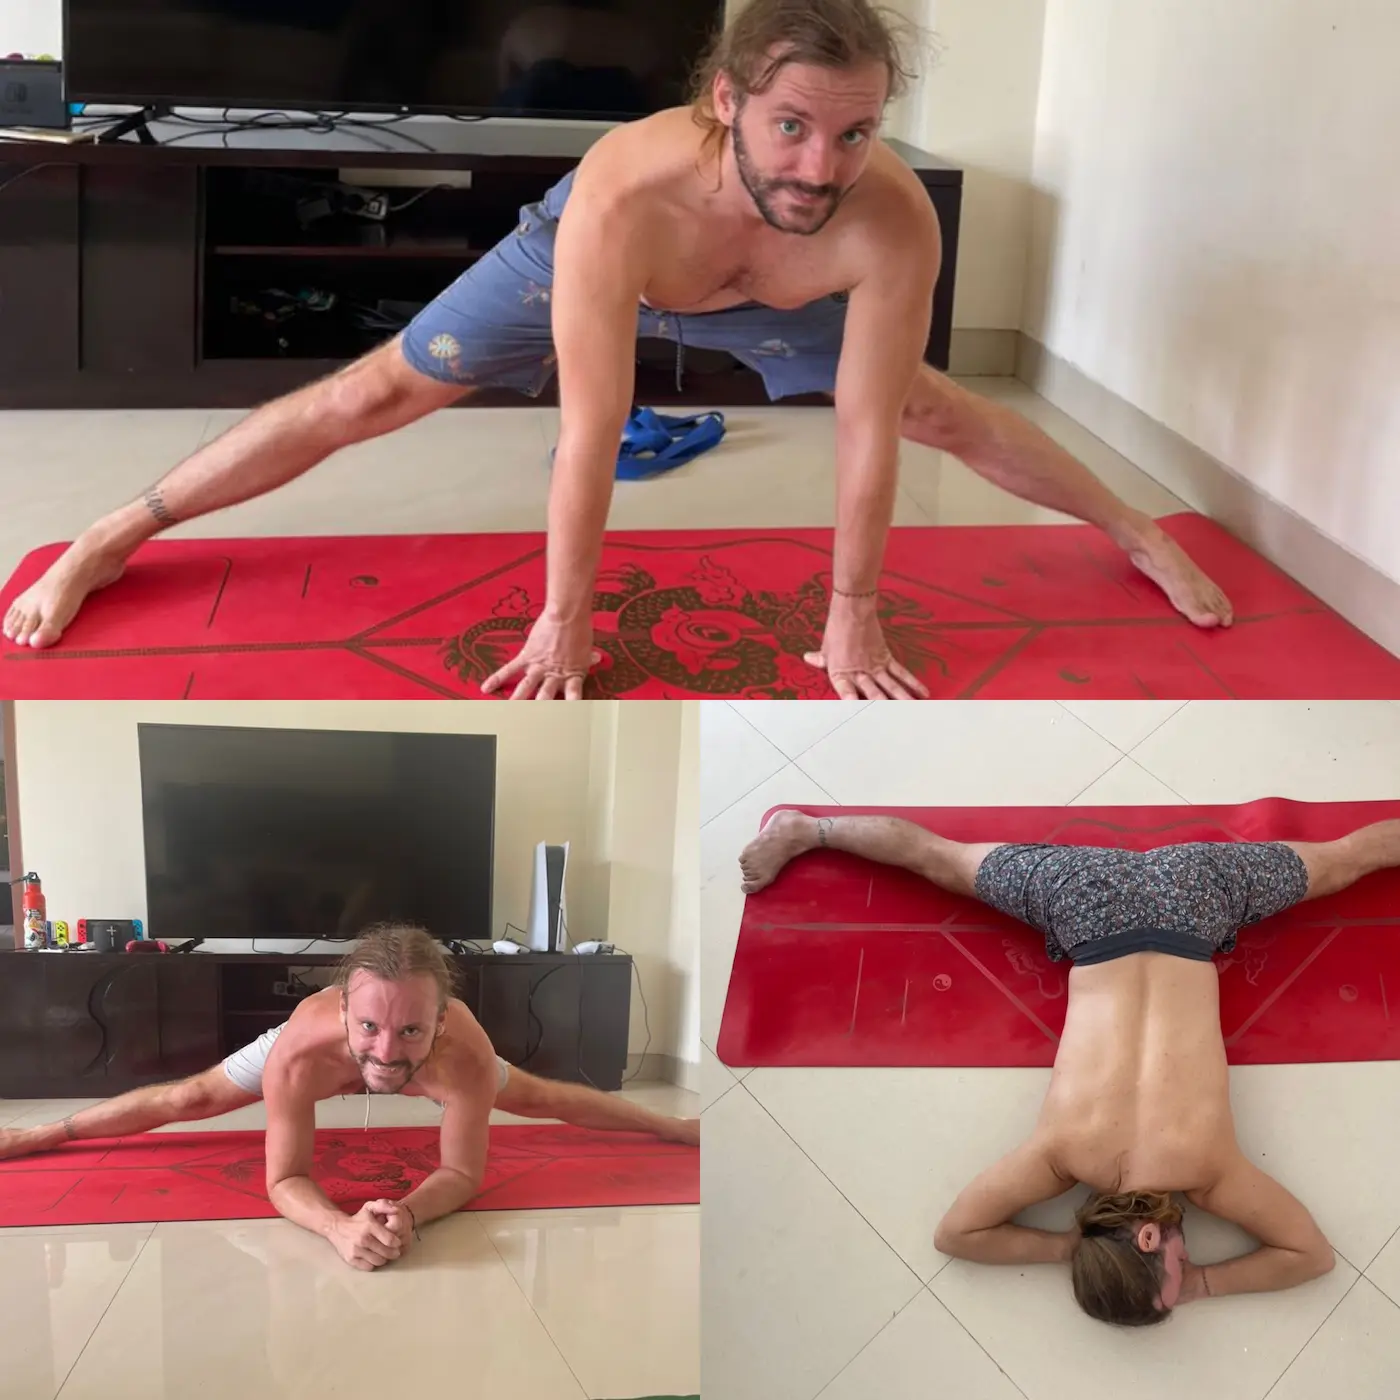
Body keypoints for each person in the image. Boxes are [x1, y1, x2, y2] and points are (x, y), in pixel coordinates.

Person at [3, 0, 1232, 699]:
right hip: (596, 264)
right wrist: (565, 617)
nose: (821, 166)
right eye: (792, 126)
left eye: (854, 133)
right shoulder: (621, 192)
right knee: (371, 392)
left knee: (935, 410)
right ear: (726, 105)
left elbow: (867, 431)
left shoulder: (886, 219)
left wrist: (852, 609)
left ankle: (1131, 528)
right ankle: (120, 530)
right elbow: (590, 432)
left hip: (772, 299)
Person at [735, 810, 1400, 1322]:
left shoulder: (1208, 1174)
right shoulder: (1058, 1158)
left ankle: (809, 827)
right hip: (1087, 903)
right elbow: (960, 1234)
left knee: (1349, 860)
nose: (1191, 1260)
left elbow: (1309, 1257)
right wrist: (1076, 1253)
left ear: (1146, 1234)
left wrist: (1201, 1288)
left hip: (1195, 898)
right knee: (940, 859)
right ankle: (810, 828)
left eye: (1178, 1265)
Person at [0, 924, 699, 1271]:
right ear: (343, 1016)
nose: (388, 1052)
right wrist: (339, 1229)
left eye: (409, 1030)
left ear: (441, 1022)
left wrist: (404, 1212)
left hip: (449, 1058)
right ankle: (47, 1134)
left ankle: (675, 1127)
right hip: (305, 1048)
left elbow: (460, 1174)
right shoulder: (300, 1050)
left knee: (548, 1096)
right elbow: (284, 1177)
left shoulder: (466, 1055)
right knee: (188, 1097)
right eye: (370, 1025)